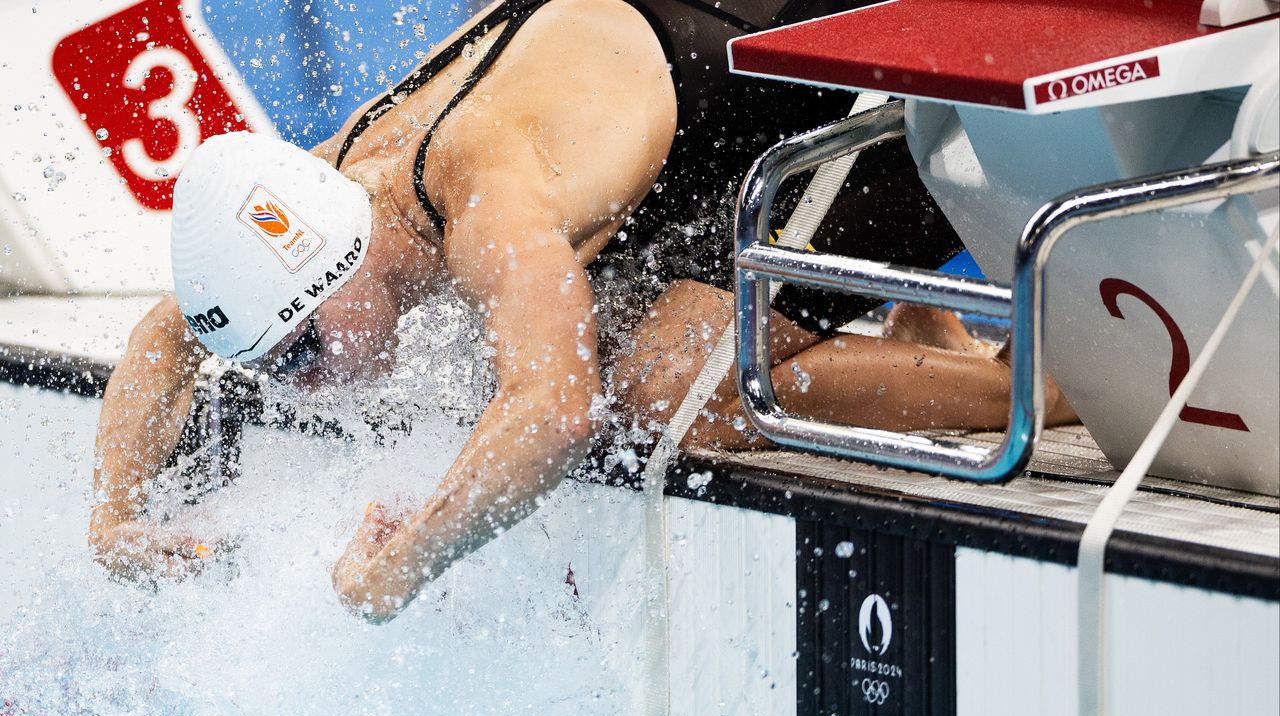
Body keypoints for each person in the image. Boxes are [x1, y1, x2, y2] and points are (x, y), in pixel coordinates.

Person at [90, 0, 1074, 619]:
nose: (303, 384)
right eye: (274, 365)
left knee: (665, 391)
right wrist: (115, 520)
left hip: (854, 75)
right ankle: (920, 338)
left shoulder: (478, 191)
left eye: (299, 353)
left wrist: (407, 560)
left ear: (333, 276)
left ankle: (1038, 383)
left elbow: (554, 414)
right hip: (700, 111)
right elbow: (162, 333)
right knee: (603, 339)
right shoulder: (324, 194)